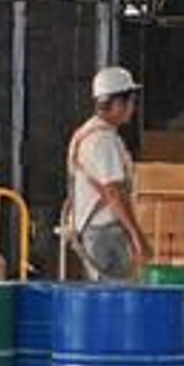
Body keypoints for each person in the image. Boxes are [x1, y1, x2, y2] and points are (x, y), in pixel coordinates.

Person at [64, 66, 152, 282]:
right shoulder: (104, 140)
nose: (133, 108)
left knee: (102, 296)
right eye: (131, 102)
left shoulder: (86, 133)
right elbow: (114, 193)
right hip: (106, 232)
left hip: (91, 230)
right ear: (117, 103)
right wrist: (137, 236)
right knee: (119, 298)